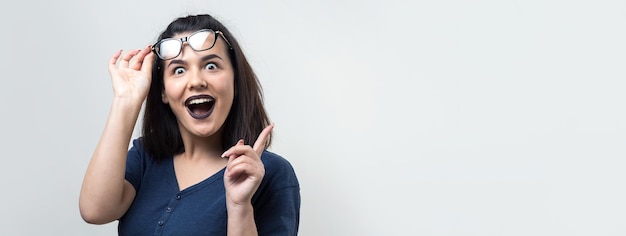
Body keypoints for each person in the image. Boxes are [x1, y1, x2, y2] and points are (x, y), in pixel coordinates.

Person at [79, 14, 300, 235]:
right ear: (163, 91)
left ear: (235, 80)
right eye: (179, 70)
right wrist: (126, 100)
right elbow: (95, 211)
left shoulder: (269, 173)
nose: (196, 81)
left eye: (211, 65)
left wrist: (239, 207)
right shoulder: (146, 156)